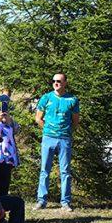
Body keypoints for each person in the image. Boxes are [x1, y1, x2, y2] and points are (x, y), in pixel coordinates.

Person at [35, 72, 81, 211]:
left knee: (65, 171)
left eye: (59, 81)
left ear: (65, 83)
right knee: (44, 170)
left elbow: (75, 121)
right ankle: (41, 200)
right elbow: (38, 118)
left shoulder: (72, 100)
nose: (56, 83)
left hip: (64, 139)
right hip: (48, 138)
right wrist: (48, 130)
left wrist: (66, 132)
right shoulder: (46, 98)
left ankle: (65, 202)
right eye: (54, 81)